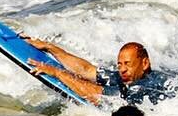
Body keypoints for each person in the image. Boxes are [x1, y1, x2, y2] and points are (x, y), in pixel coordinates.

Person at [22, 37, 166, 105]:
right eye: (119, 64)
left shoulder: (143, 87)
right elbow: (86, 70)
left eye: (127, 64)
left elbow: (95, 95)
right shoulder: (128, 77)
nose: (122, 69)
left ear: (145, 63)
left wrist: (58, 73)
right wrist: (50, 48)